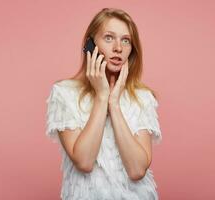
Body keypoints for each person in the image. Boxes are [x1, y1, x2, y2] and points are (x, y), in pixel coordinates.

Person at [46, 7, 162, 200]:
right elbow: (84, 162)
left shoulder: (142, 98)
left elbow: (136, 170)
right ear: (90, 45)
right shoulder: (64, 94)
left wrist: (114, 104)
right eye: (109, 38)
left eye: (125, 40)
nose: (118, 48)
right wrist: (101, 96)